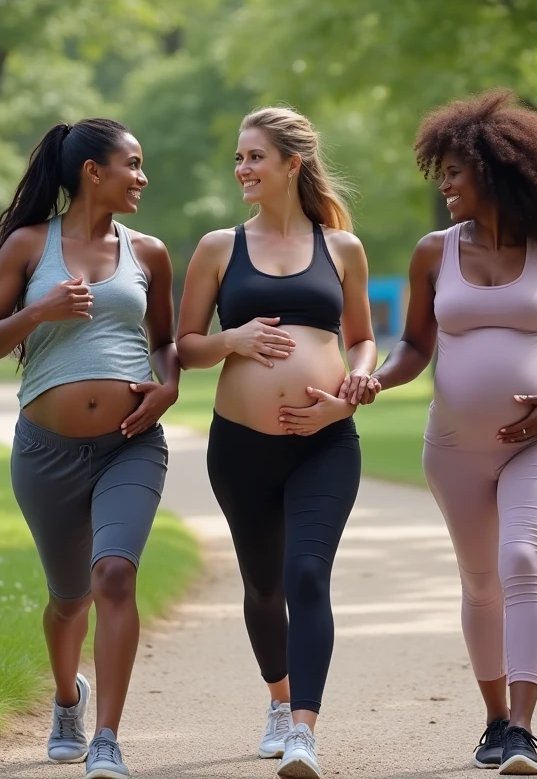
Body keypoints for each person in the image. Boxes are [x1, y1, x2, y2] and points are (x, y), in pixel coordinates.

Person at [358, 89, 537, 776]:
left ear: (495, 172)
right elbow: (413, 347)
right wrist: (374, 379)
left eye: (455, 174)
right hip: (455, 450)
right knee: (481, 580)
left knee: (523, 561)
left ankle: (523, 730)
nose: (446, 187)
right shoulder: (434, 253)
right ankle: (493, 721)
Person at [0, 118, 180, 779]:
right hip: (45, 452)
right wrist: (38, 312)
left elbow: (166, 341)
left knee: (113, 575)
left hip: (129, 445)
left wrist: (167, 389)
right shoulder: (30, 246)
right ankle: (68, 700)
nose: (142, 178)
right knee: (69, 600)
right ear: (93, 171)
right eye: (133, 165)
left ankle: (109, 738)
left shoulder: (150, 253)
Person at [175, 106, 376, 779]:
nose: (242, 168)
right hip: (240, 446)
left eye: (254, 156)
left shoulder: (341, 248)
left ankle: (303, 732)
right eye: (239, 157)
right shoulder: (217, 247)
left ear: (293, 164)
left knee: (307, 575)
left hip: (326, 441)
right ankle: (278, 699)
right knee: (263, 586)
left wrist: (358, 380)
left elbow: (363, 337)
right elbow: (186, 347)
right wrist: (232, 340)